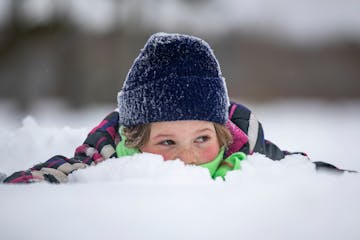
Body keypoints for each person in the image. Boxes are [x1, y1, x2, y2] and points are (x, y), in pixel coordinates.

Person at [3, 33, 346, 184]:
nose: (189, 158)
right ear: (134, 141)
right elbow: (62, 172)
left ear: (222, 133)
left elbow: (301, 170)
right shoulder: (111, 148)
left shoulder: (245, 145)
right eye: (167, 142)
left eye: (201, 139)